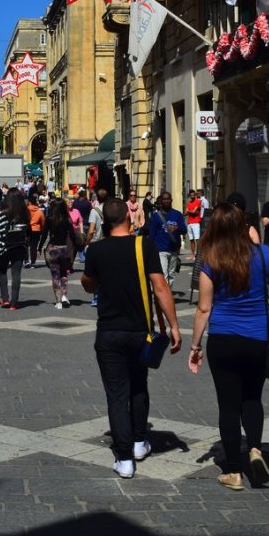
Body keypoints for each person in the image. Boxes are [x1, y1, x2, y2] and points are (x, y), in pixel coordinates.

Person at [188, 203, 269, 490]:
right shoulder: (266, 255)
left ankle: (234, 472)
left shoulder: (212, 259)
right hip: (256, 339)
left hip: (223, 340)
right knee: (252, 398)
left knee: (228, 405)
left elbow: (203, 309)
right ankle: (256, 451)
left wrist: (195, 346)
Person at [81, 199, 181, 479]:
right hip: (140, 331)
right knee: (139, 386)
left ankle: (124, 459)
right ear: (128, 216)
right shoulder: (144, 245)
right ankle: (139, 442)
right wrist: (174, 326)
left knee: (116, 394)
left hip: (109, 332)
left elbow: (88, 284)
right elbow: (160, 288)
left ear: (105, 222)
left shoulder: (96, 250)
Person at [0, 190, 30, 310]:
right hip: (19, 247)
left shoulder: (1, 214)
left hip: (3, 247)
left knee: (2, 272)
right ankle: (14, 303)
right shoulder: (25, 214)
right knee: (16, 274)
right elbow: (28, 231)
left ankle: (5, 299)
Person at [39, 199, 76, 310]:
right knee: (64, 274)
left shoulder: (49, 219)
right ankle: (64, 295)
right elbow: (73, 235)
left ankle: (58, 301)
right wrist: (73, 248)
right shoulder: (67, 219)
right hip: (63, 249)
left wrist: (39, 247)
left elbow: (44, 235)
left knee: (55, 275)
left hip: (53, 249)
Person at [148, 191, 187, 288]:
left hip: (173, 249)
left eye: (168, 199)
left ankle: (168, 293)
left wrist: (177, 228)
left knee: (171, 274)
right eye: (164, 199)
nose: (166, 201)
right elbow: (152, 234)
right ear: (161, 201)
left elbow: (184, 230)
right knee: (164, 273)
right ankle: (166, 297)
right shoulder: (156, 216)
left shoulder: (177, 215)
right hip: (161, 250)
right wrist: (151, 250)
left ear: (171, 200)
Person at [26, 193, 46, 268]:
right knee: (33, 247)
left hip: (27, 229)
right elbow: (43, 222)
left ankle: (26, 261)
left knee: (25, 245)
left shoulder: (26, 210)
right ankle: (33, 262)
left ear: (30, 202)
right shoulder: (39, 211)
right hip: (36, 230)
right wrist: (42, 229)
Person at [185, 190, 202, 259]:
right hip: (189, 223)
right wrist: (190, 211)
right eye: (190, 195)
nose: (192, 196)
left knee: (197, 239)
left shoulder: (198, 201)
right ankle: (192, 255)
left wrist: (189, 211)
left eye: (193, 195)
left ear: (195, 195)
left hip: (196, 223)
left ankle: (198, 255)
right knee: (191, 240)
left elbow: (194, 212)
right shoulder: (189, 203)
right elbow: (185, 213)